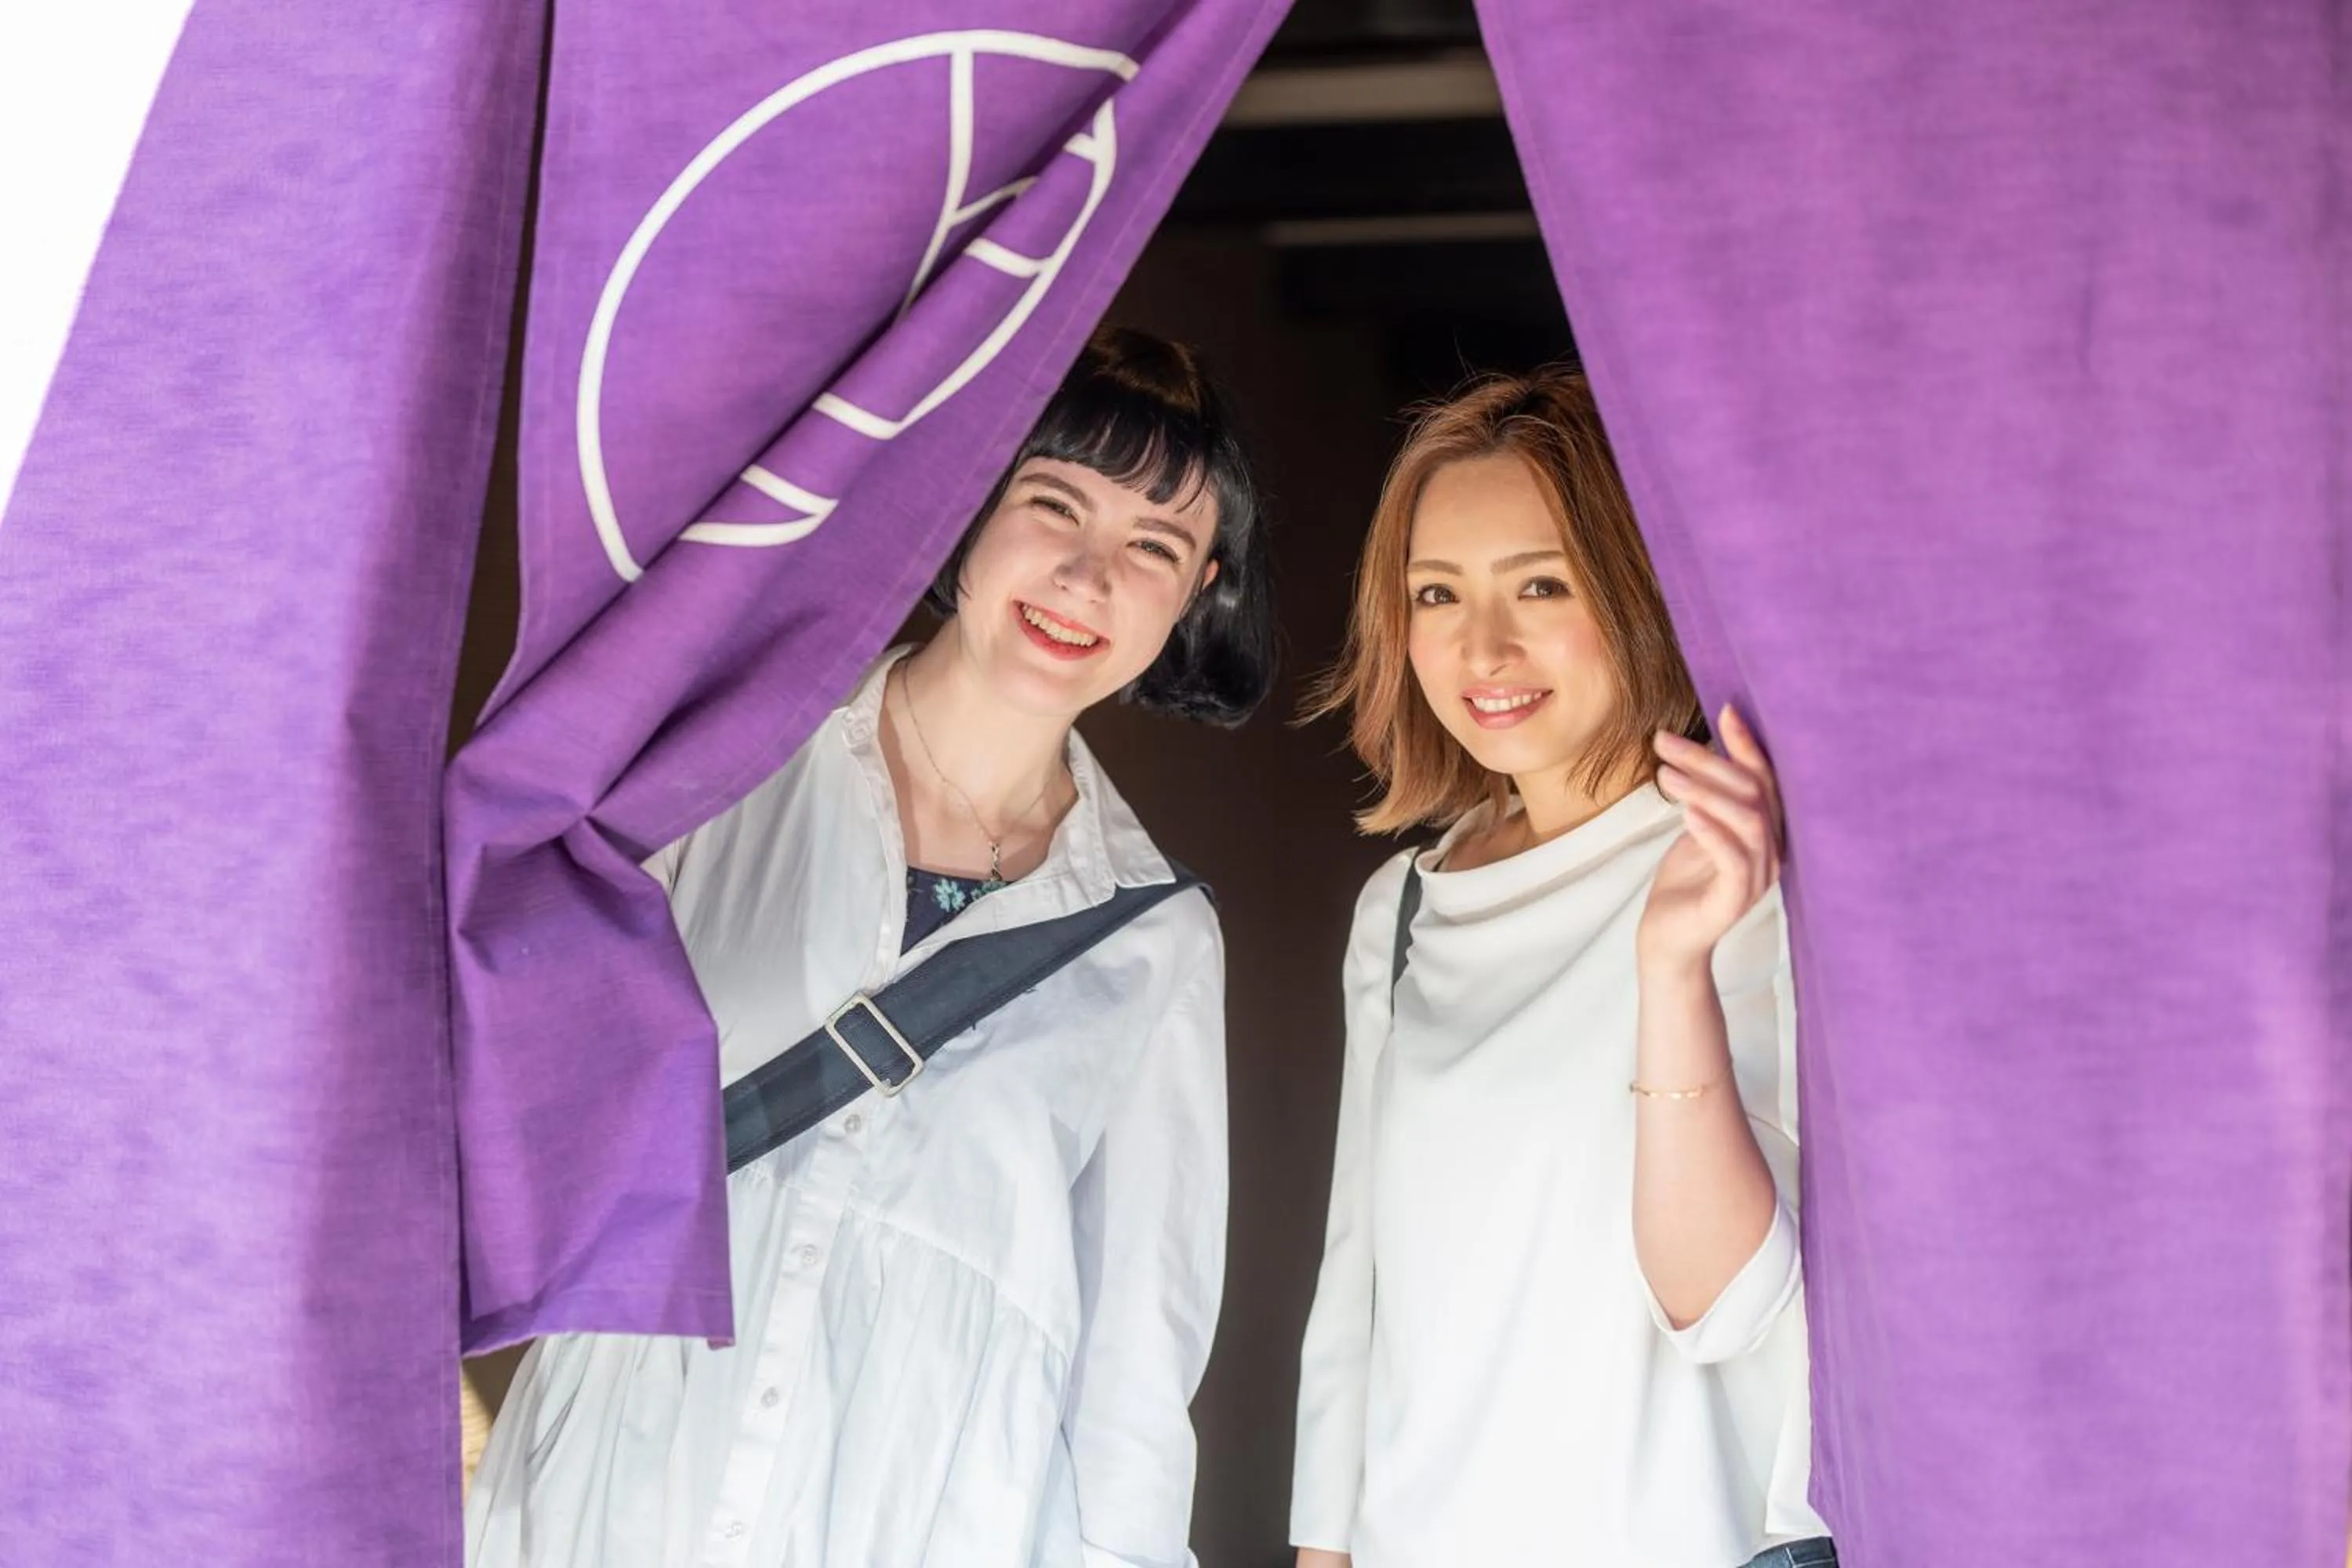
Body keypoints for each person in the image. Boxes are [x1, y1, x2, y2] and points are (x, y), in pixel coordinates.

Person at [470, 326, 1273, 1568]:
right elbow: (489, 1052)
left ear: (1196, 594)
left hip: (939, 1516)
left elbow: (1136, 1368)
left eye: (1151, 550)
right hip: (625, 1483)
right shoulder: (731, 760)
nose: (1086, 576)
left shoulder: (1157, 938)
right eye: (1053, 505)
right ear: (966, 498)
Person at [1290, 367, 1834, 1568]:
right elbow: (1358, 1284)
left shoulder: (1742, 869)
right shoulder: (1402, 910)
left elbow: (1729, 1307)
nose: (1484, 646)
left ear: (1640, 588)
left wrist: (1673, 967)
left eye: (1541, 584)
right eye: (1439, 594)